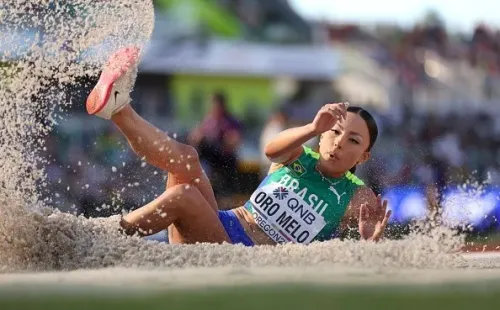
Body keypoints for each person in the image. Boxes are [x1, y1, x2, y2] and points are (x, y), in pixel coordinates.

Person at [85, 46, 391, 246]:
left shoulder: (358, 195)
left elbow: (370, 256)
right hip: (217, 227)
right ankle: (118, 109)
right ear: (323, 135)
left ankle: (106, 237)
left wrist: (369, 244)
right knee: (187, 157)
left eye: (353, 140)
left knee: (185, 195)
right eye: (335, 132)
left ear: (364, 154)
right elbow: (271, 150)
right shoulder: (298, 154)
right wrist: (311, 127)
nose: (339, 142)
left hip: (240, 252)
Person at [187, 92, 242, 198]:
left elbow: (234, 140)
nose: (213, 107)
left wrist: (225, 140)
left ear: (222, 105)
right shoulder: (208, 120)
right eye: (211, 104)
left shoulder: (230, 121)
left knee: (225, 194)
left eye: (215, 104)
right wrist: (197, 137)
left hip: (225, 161)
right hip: (209, 161)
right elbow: (195, 136)